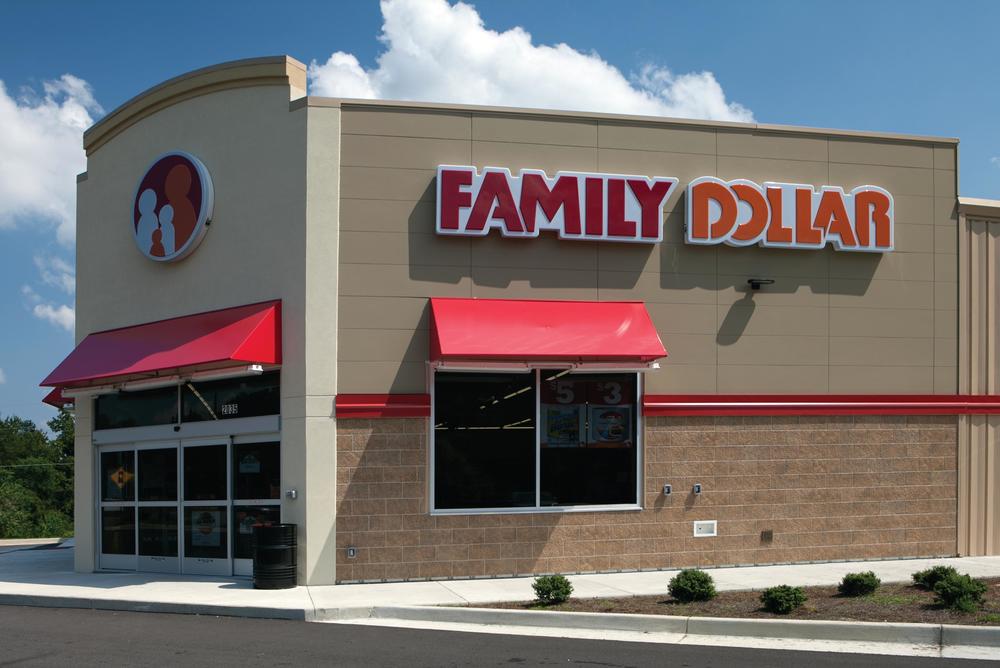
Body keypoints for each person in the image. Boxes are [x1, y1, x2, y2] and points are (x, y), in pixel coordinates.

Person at [135, 189, 159, 255]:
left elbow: (155, 234)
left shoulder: (153, 217)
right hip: (147, 246)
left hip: (153, 246)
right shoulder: (142, 220)